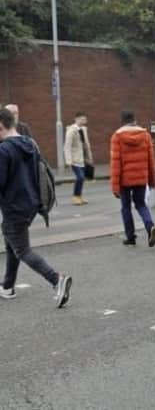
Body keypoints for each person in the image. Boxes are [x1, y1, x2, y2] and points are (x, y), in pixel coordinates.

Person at [0, 108, 72, 307]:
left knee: (22, 249)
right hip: (31, 204)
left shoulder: (4, 150)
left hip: (14, 207)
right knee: (12, 243)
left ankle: (56, 279)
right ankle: (8, 286)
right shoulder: (29, 143)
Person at [110, 111, 155, 248]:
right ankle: (150, 227)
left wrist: (115, 186)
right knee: (141, 205)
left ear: (122, 121)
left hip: (124, 180)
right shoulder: (145, 135)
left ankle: (130, 237)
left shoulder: (117, 136)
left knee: (126, 208)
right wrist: (151, 179)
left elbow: (115, 163)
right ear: (134, 120)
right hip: (141, 178)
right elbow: (151, 160)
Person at [64, 112, 93, 205]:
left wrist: (89, 157)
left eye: (85, 119)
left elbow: (86, 145)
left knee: (82, 178)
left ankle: (79, 196)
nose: (84, 121)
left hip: (83, 158)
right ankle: (75, 197)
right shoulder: (71, 131)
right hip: (75, 159)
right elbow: (67, 146)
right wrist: (68, 160)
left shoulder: (84, 129)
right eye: (82, 119)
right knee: (80, 177)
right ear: (76, 119)